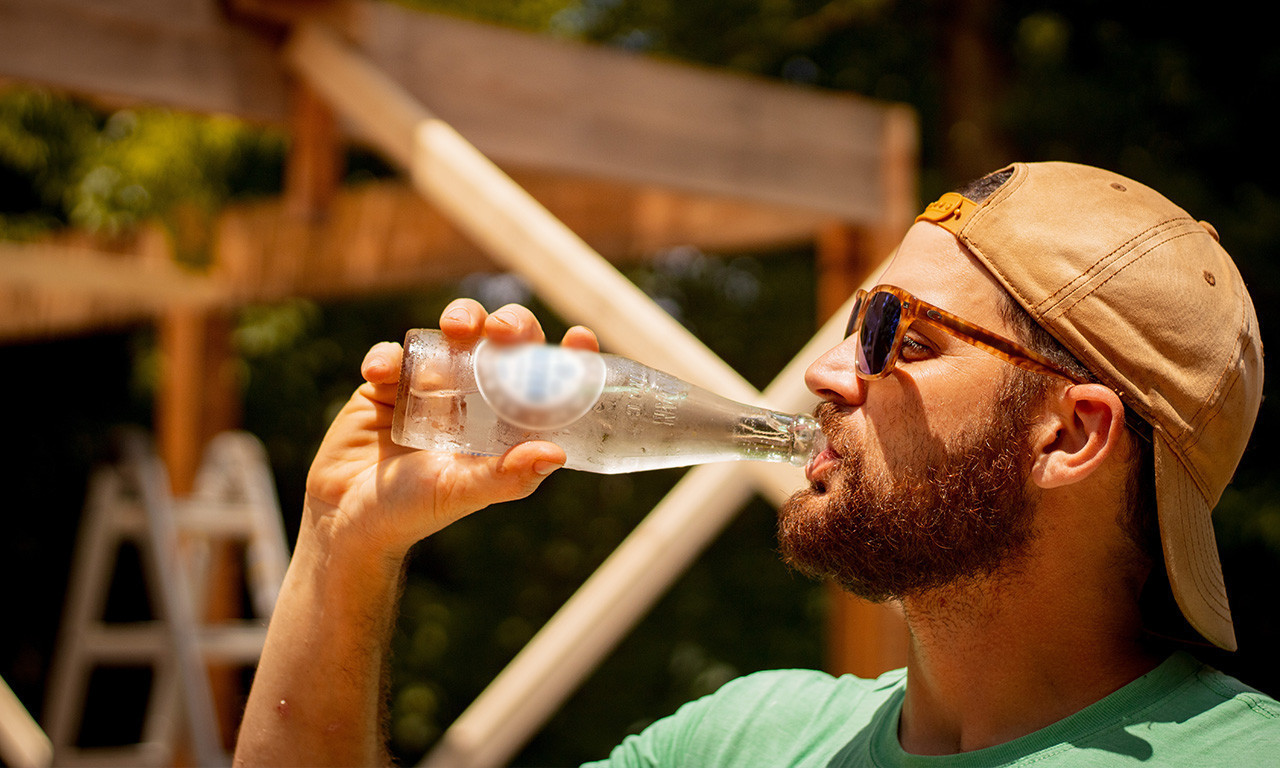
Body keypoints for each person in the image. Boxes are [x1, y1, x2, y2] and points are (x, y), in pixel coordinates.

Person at [232, 162, 1278, 767]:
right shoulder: (744, 743)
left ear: (1070, 435)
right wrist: (343, 545)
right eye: (850, 322)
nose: (826, 373)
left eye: (898, 339)